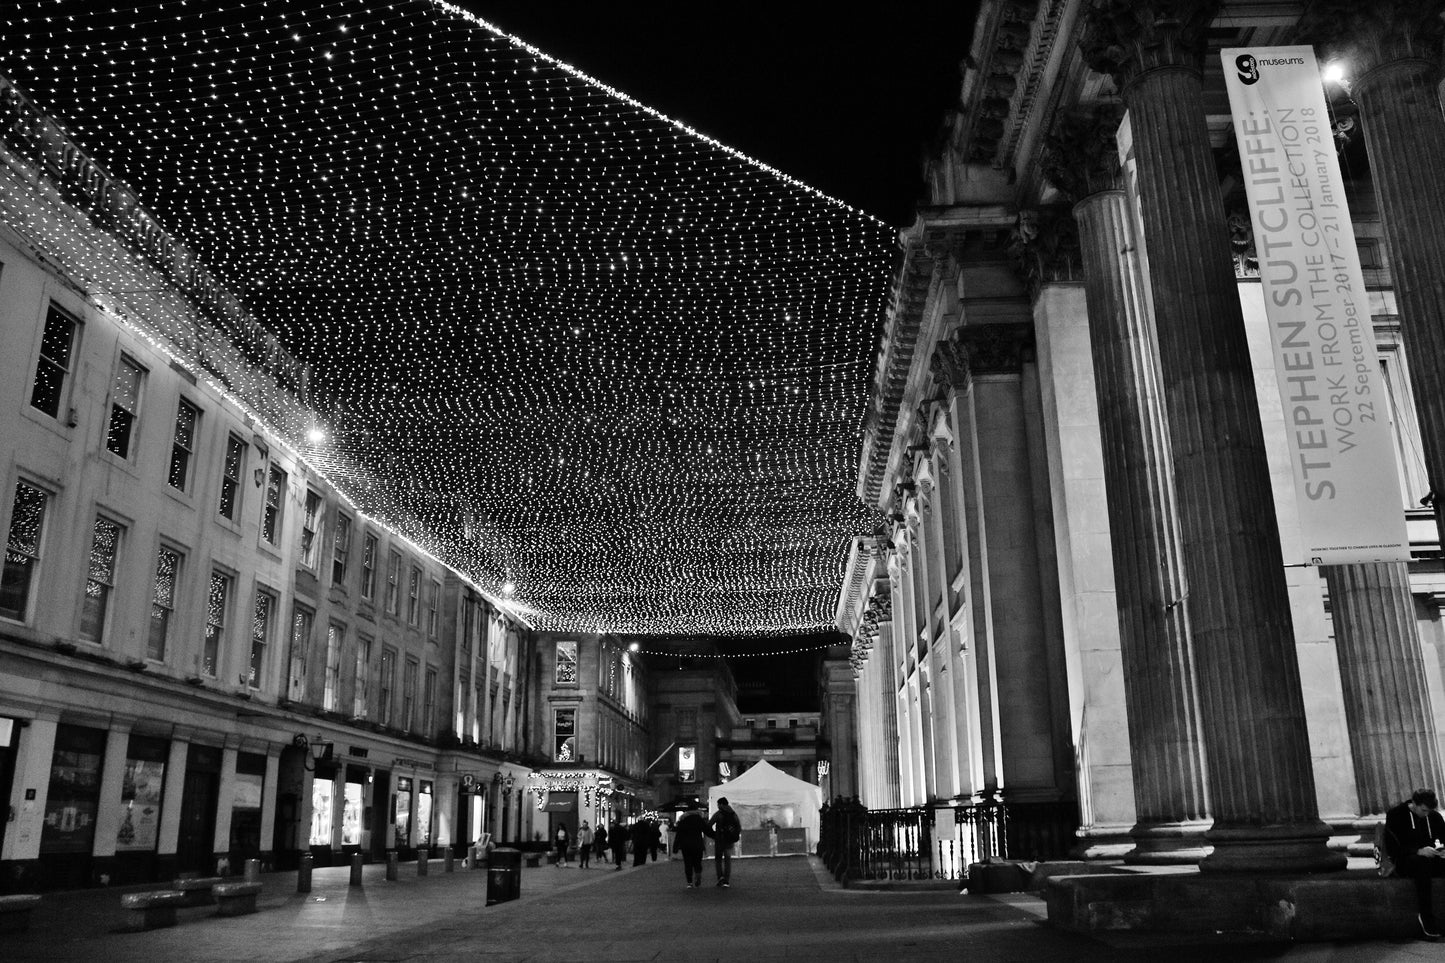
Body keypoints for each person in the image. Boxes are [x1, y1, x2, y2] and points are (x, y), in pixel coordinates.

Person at [1385, 788, 1445, 939]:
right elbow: (1393, 847)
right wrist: (1418, 851)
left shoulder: (1433, 816)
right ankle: (1426, 917)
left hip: (1431, 858)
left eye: (1429, 811)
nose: (1426, 815)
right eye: (1424, 810)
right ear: (1414, 804)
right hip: (1405, 860)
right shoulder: (1396, 815)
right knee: (1421, 864)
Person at [673, 802, 711, 889]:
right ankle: (698, 875)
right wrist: (715, 835)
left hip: (686, 845)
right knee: (697, 863)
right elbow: (707, 830)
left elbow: (679, 834)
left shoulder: (683, 820)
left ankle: (689, 882)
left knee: (688, 864)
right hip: (697, 844)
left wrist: (675, 847)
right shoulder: (699, 819)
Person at [708, 796, 742, 888]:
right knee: (727, 860)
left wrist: (714, 835)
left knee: (718, 860)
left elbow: (709, 825)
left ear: (721, 804)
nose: (718, 806)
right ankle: (727, 881)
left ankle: (720, 878)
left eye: (718, 804)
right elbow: (738, 827)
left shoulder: (718, 814)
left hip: (719, 840)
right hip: (729, 841)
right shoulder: (733, 814)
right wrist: (734, 835)